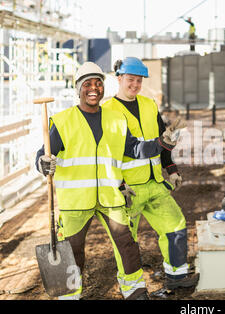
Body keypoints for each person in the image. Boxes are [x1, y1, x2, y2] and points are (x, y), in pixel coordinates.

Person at [35, 61, 181, 300]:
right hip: (75, 201)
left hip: (110, 196)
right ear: (79, 89)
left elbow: (135, 149)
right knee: (73, 252)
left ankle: (134, 290)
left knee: (127, 244)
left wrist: (161, 143)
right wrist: (42, 163)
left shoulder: (115, 119)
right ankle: (69, 296)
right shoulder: (63, 121)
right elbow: (44, 154)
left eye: (98, 83)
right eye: (88, 84)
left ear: (103, 87)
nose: (94, 88)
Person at [102, 57, 199, 290]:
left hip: (155, 184)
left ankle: (177, 277)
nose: (134, 85)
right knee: (125, 242)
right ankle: (132, 288)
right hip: (127, 189)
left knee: (175, 226)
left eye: (139, 80)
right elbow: (129, 148)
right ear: (119, 79)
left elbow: (163, 142)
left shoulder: (148, 105)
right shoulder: (108, 111)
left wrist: (171, 169)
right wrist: (161, 142)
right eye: (130, 79)